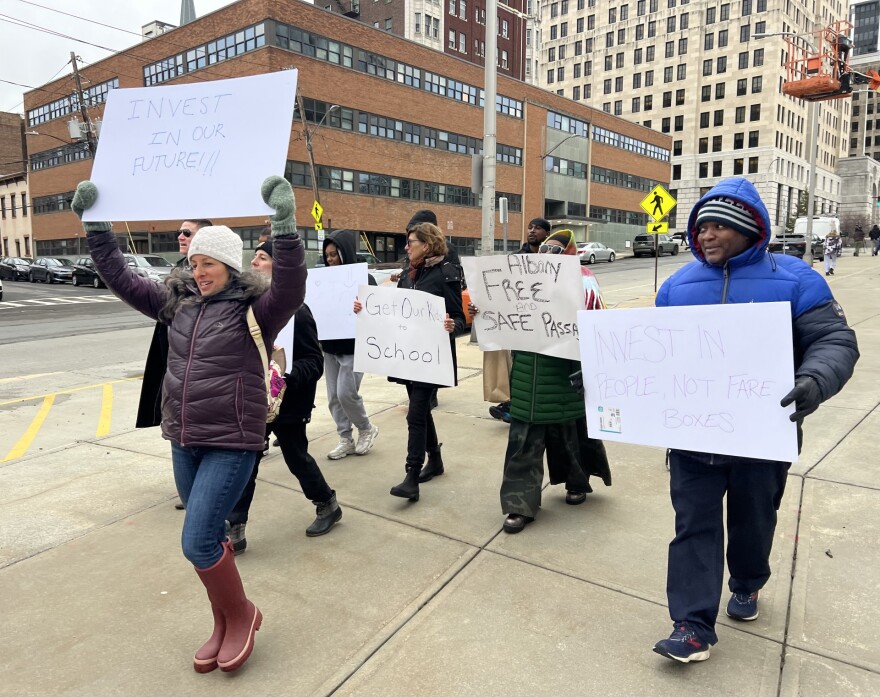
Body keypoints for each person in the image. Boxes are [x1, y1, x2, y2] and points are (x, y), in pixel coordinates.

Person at [72, 175, 307, 674]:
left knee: (196, 540)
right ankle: (222, 621)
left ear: (230, 266)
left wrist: (285, 227)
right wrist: (97, 227)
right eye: (195, 263)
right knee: (213, 536)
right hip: (184, 439)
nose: (200, 272)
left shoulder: (255, 309)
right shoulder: (174, 304)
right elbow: (118, 276)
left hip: (232, 442)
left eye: (210, 264)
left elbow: (290, 285)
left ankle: (242, 614)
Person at [652, 178, 859, 664]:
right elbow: (650, 352)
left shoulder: (797, 279)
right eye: (702, 226)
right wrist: (605, 380)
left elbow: (835, 342)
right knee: (693, 526)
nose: (707, 235)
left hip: (762, 436)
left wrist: (814, 379)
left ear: (750, 230)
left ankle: (747, 583)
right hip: (693, 435)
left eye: (720, 225)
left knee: (752, 520)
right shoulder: (677, 286)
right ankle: (691, 625)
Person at [473, 230, 612, 533]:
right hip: (526, 376)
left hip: (564, 374)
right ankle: (518, 505)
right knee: (523, 443)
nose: (547, 255)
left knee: (571, 437)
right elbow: (498, 320)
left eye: (555, 251)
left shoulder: (584, 282)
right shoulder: (521, 282)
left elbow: (597, 326)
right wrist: (481, 312)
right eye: (544, 250)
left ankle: (578, 482)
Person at [227, 239, 342, 553]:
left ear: (279, 267)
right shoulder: (250, 306)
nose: (253, 263)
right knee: (247, 460)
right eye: (255, 258)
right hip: (255, 401)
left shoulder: (297, 312)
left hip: (289, 403)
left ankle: (327, 504)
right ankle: (235, 525)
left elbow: (313, 362)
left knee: (296, 457)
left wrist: (284, 379)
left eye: (262, 258)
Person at [354, 222, 465, 500]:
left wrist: (454, 325)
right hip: (408, 357)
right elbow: (392, 313)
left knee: (415, 414)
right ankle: (435, 460)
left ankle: (412, 475)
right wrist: (364, 309)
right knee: (422, 412)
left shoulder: (446, 274)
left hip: (432, 358)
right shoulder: (406, 274)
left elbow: (460, 317)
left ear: (427, 245)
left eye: (411, 242)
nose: (406, 246)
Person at [135, 219, 212, 510]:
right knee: (176, 427)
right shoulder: (178, 272)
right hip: (174, 362)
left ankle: (204, 496)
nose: (179, 236)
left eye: (187, 232)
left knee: (203, 434)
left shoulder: (218, 284)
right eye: (179, 232)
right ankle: (190, 492)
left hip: (203, 373)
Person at [487, 217, 554, 422]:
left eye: (538, 228)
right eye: (530, 227)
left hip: (547, 322)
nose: (532, 231)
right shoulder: (516, 258)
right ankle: (514, 405)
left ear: (547, 233)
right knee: (519, 366)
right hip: (522, 323)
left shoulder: (552, 259)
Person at [320, 229, 380, 460]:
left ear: (345, 252)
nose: (330, 259)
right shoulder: (323, 279)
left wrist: (362, 309)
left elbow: (377, 311)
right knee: (334, 396)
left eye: (334, 254)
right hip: (330, 345)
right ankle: (345, 437)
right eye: (327, 255)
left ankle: (366, 428)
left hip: (355, 346)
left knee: (346, 393)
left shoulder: (365, 278)